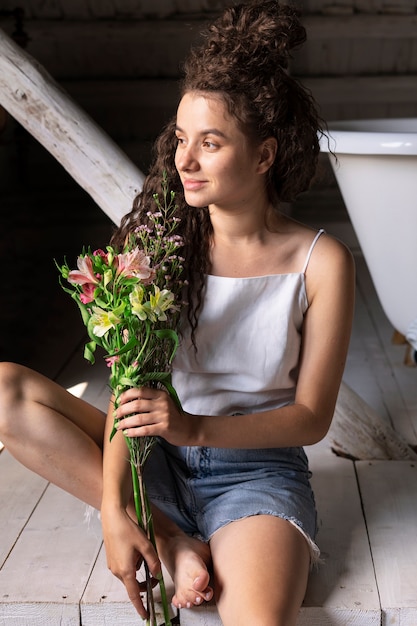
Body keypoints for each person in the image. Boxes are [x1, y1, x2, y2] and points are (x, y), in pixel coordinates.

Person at [0, 1, 355, 624]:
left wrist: (192, 428)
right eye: (181, 139)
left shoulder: (321, 262)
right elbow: (128, 393)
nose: (184, 161)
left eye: (210, 143)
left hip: (256, 474)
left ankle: (198, 536)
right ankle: (169, 537)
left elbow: (310, 418)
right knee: (4, 390)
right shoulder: (158, 250)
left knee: (258, 621)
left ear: (264, 155)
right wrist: (115, 506)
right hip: (151, 459)